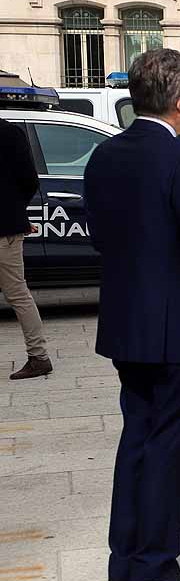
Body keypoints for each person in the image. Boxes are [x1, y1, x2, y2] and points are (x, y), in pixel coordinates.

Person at [82, 48, 180, 581]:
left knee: (138, 439)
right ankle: (155, 568)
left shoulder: (105, 154)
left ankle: (123, 564)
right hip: (178, 326)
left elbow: (100, 234)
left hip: (126, 320)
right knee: (172, 445)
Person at [0, 115, 52, 381]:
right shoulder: (12, 133)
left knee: (18, 293)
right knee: (18, 293)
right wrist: (15, 210)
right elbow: (29, 180)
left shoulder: (9, 133)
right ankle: (38, 356)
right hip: (7, 226)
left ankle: (39, 356)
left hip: (5, 228)